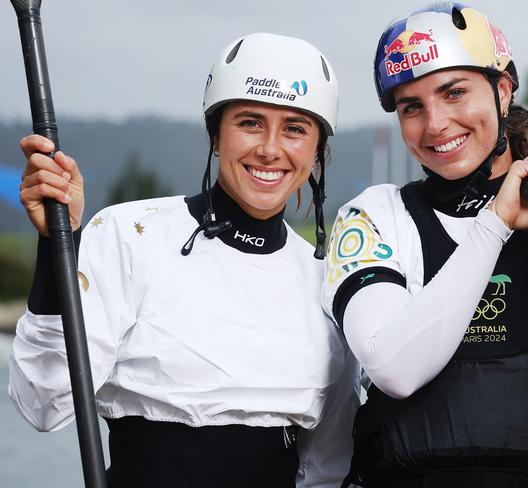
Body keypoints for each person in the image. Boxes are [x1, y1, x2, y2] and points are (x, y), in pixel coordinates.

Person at [9, 32, 359, 488]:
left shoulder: (328, 282)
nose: (271, 148)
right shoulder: (129, 234)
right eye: (250, 122)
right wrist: (57, 241)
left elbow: (328, 468)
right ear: (216, 135)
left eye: (295, 128)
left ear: (316, 151)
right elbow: (44, 402)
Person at [321, 4, 528, 488]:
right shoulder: (374, 217)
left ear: (502, 91)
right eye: (412, 106)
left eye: (454, 93)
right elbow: (396, 371)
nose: (435, 124)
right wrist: (494, 222)